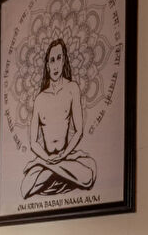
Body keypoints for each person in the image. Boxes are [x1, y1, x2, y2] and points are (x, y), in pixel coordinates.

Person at [21, 38, 97, 198]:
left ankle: (53, 172)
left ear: (64, 61)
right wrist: (47, 158)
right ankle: (57, 172)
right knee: (24, 187)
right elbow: (33, 143)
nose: (55, 65)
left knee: (89, 174)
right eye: (52, 60)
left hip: (67, 156)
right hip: (45, 158)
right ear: (47, 65)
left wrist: (62, 156)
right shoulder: (40, 99)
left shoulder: (72, 89)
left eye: (59, 58)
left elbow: (79, 131)